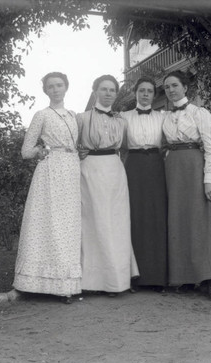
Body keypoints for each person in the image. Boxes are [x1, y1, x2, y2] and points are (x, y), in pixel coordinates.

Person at [162, 70, 211, 301]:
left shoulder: (199, 113)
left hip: (194, 167)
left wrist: (208, 181)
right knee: (178, 221)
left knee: (200, 222)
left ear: (185, 87)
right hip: (172, 168)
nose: (171, 90)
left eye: (175, 85)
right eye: (167, 87)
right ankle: (184, 278)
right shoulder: (164, 116)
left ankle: (209, 278)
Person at [13, 72, 81, 304]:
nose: (55, 89)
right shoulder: (41, 115)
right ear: (45, 90)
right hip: (50, 171)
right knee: (49, 223)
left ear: (66, 87)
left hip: (72, 171)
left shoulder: (73, 115)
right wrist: (42, 151)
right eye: (51, 86)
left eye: (59, 85)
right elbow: (25, 150)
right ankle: (36, 282)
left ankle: (66, 284)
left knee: (69, 225)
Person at [77, 74, 139, 296]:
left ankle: (118, 280)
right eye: (103, 89)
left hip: (115, 171)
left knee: (117, 223)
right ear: (95, 92)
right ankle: (93, 282)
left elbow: (127, 149)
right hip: (90, 170)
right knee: (94, 222)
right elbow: (71, 146)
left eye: (112, 90)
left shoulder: (121, 120)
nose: (108, 93)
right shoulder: (81, 118)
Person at [120, 77, 168, 292]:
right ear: (135, 92)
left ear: (154, 94)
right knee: (135, 216)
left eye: (149, 91)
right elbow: (116, 144)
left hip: (157, 166)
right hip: (133, 166)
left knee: (157, 216)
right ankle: (134, 277)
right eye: (142, 90)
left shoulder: (163, 117)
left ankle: (158, 277)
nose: (146, 94)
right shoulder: (123, 117)